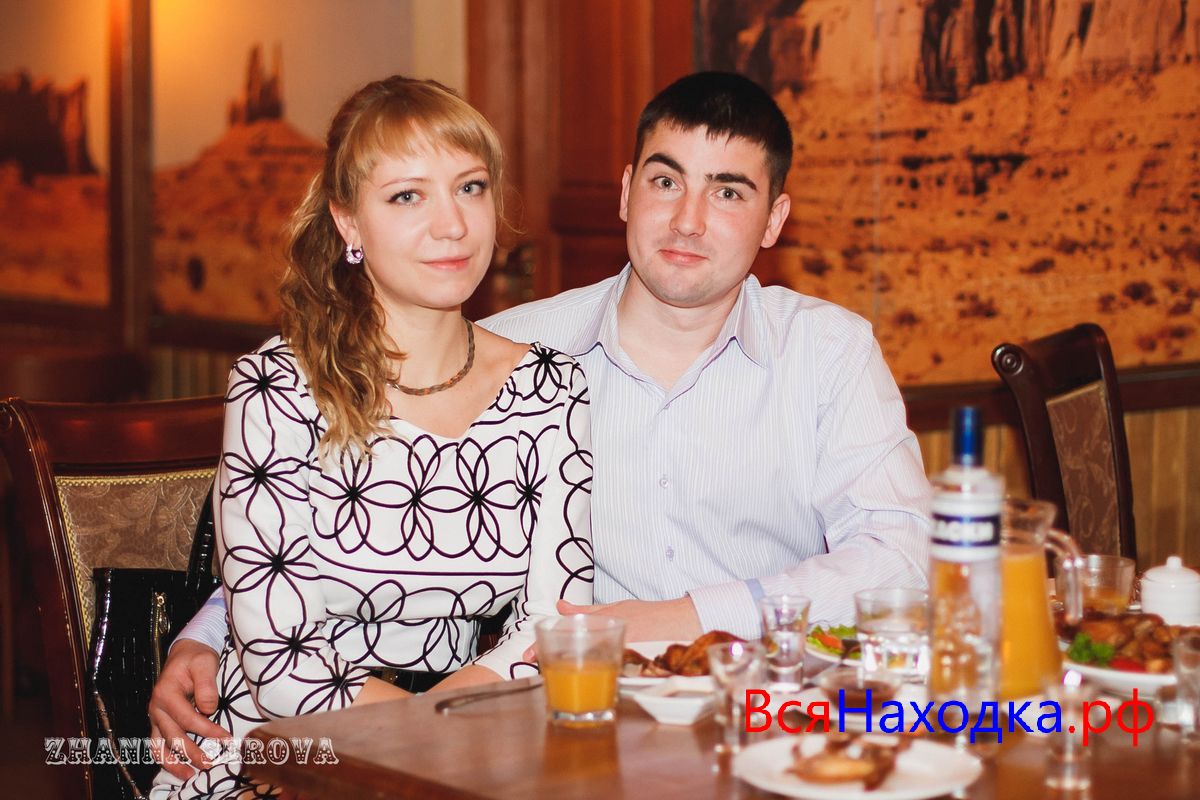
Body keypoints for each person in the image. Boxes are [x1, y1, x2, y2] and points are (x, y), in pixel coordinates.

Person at [151, 71, 929, 776]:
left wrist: (688, 617)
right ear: (625, 192)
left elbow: (905, 556)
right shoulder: (521, 350)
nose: (688, 220)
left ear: (774, 219)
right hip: (562, 733)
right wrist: (210, 633)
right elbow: (318, 540)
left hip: (768, 719)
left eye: (728, 192)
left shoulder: (824, 352)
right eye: (666, 181)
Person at [149, 75, 593, 798]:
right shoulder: (277, 387)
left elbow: (555, 623)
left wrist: (442, 743)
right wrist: (433, 741)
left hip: (466, 746)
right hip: (284, 752)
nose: (452, 225)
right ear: (349, 222)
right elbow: (277, 659)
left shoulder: (553, 388)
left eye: (471, 187)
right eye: (407, 196)